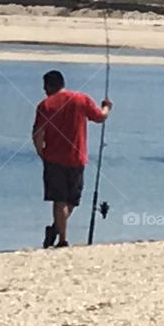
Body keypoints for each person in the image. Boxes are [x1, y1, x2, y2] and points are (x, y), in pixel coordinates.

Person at [32, 70, 112, 248]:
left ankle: (57, 232)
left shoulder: (44, 105)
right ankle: (61, 239)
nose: (44, 90)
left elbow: (37, 133)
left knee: (60, 200)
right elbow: (100, 117)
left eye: (45, 86)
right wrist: (106, 107)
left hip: (54, 158)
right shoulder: (80, 98)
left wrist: (41, 153)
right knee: (71, 200)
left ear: (52, 85)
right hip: (76, 158)